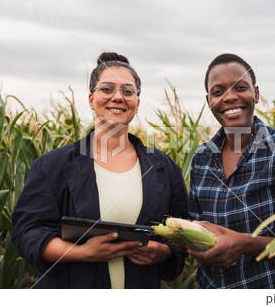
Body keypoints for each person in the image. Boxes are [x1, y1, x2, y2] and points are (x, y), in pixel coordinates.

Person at [11, 52, 188, 289]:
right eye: (107, 89)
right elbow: (27, 233)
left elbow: (182, 230)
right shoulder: (52, 166)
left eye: (128, 91)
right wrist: (81, 253)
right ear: (91, 99)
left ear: (136, 101)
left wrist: (164, 251)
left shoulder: (163, 167)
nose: (118, 97)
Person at [186, 53, 275, 288]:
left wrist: (244, 244)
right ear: (209, 100)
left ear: (256, 94)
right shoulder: (201, 158)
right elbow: (196, 226)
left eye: (240, 87)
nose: (229, 97)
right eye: (218, 92)